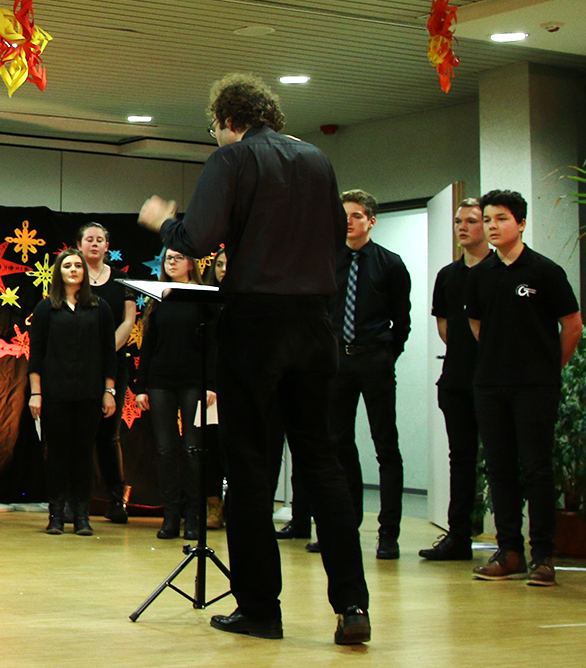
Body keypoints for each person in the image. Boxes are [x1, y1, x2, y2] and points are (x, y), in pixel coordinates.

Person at [136, 72, 370, 644]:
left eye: (213, 126)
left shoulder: (233, 158)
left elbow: (195, 239)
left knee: (248, 466)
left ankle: (261, 608)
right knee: (322, 462)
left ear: (226, 119)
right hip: (314, 323)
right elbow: (335, 236)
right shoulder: (316, 159)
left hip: (256, 324)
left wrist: (163, 221)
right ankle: (352, 606)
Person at [464, 189, 582, 587]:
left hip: (535, 386)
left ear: (521, 223)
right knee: (499, 468)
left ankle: (543, 555)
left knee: (536, 468)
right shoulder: (479, 274)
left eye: (501, 219)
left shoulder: (545, 271)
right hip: (490, 384)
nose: (492, 226)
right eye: (488, 219)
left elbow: (573, 325)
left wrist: (550, 367)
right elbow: (477, 325)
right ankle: (509, 550)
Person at [308, 189, 411, 559]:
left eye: (355, 215)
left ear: (371, 220)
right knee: (337, 445)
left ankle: (389, 534)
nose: (348, 222)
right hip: (336, 362)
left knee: (386, 445)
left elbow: (402, 321)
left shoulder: (390, 264)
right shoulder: (326, 261)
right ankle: (344, 527)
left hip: (374, 359)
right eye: (343, 216)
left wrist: (386, 355)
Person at [419, 199, 491, 561]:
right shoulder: (448, 275)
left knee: (500, 459)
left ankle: (510, 542)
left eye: (471, 221)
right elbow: (445, 327)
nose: (462, 227)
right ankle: (458, 536)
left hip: (494, 380)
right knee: (460, 459)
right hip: (457, 380)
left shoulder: (498, 270)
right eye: (458, 221)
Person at [28, 249, 118, 536]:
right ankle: (56, 514)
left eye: (78, 265)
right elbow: (36, 354)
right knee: (57, 454)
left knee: (83, 454)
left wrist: (109, 390)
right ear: (59, 272)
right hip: (55, 393)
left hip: (90, 392)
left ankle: (82, 516)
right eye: (67, 265)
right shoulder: (46, 308)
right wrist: (36, 393)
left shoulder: (100, 307)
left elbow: (109, 353)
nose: (74, 269)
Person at [134, 247, 217, 540]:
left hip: (193, 381)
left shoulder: (202, 296)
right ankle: (170, 516)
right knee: (165, 450)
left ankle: (193, 517)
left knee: (193, 450)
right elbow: (148, 344)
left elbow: (213, 344)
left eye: (178, 258)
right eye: (168, 258)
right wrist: (140, 387)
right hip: (161, 380)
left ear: (191, 264)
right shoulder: (159, 296)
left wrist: (211, 384)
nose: (171, 262)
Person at [77, 223, 139, 524]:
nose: (94, 244)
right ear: (79, 245)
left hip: (114, 363)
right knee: (78, 432)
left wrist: (104, 350)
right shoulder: (72, 276)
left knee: (108, 433)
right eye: (89, 239)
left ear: (106, 246)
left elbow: (128, 321)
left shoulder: (122, 280)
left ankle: (116, 498)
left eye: (100, 240)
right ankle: (76, 499)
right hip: (77, 365)